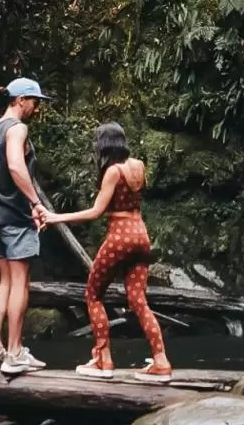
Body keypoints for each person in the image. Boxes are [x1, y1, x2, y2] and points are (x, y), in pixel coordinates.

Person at [38, 122, 172, 383]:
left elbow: (95, 212)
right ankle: (161, 361)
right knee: (139, 301)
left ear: (105, 145)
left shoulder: (113, 171)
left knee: (93, 294)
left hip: (120, 236)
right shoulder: (139, 166)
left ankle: (103, 359)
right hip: (141, 235)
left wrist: (55, 218)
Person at [0, 77, 52, 375]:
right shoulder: (17, 129)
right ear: (20, 100)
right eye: (35, 101)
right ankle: (14, 353)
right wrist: (36, 203)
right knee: (20, 283)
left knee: (5, 284)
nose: (37, 107)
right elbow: (14, 165)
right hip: (14, 215)